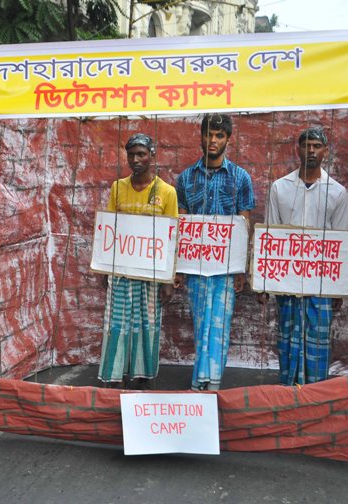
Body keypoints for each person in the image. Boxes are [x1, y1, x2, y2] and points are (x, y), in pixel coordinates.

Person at [175, 114, 255, 391]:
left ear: (228, 140)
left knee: (220, 324)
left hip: (226, 268)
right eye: (208, 134)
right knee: (200, 323)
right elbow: (182, 224)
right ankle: (199, 382)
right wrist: (178, 267)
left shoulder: (240, 178)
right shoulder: (186, 178)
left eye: (219, 136)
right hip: (195, 265)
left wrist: (242, 269)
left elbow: (244, 224)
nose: (213, 140)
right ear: (200, 136)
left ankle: (214, 384)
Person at [264, 127, 348, 385]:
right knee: (288, 338)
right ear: (298, 149)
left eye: (316, 146)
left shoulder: (337, 192)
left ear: (325, 151)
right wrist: (265, 282)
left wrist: (337, 289)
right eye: (306, 145)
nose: (311, 150)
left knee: (318, 342)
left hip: (320, 283)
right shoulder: (280, 188)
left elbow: (340, 242)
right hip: (287, 281)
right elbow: (270, 234)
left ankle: (314, 395)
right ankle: (288, 393)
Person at [98, 134, 177, 389]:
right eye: (131, 154)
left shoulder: (166, 192)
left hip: (151, 273)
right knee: (117, 323)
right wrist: (103, 267)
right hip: (121, 271)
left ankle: (143, 377)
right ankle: (115, 375)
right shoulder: (118, 188)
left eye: (141, 154)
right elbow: (109, 228)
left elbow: (171, 237)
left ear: (152, 155)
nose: (135, 159)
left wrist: (169, 280)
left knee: (147, 325)